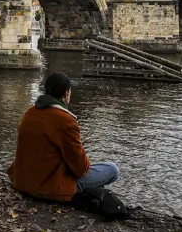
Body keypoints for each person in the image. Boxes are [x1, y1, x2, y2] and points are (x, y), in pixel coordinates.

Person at [8, 72, 119, 202]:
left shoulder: (29, 113)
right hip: (49, 188)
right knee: (112, 169)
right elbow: (81, 169)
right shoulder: (66, 120)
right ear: (67, 94)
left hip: (22, 182)